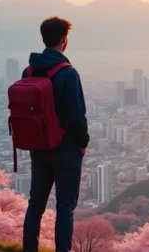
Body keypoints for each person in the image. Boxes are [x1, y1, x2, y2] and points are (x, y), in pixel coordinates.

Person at [21, 16, 89, 252]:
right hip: (66, 149)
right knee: (65, 207)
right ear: (64, 40)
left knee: (35, 205)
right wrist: (82, 144)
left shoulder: (28, 71)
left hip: (38, 148)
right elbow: (78, 114)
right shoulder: (68, 73)